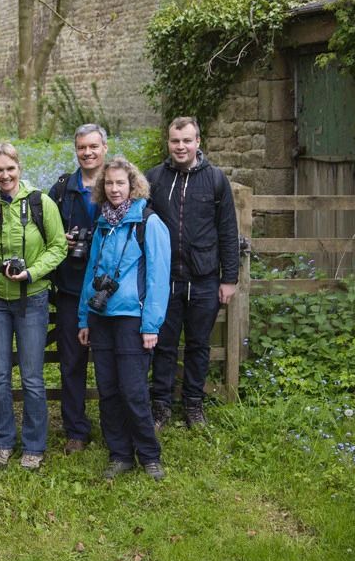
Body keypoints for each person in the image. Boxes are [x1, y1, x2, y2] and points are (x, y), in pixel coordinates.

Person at [76, 155, 170, 481]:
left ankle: (149, 454)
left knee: (132, 390)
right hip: (102, 317)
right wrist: (84, 319)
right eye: (109, 183)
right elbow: (92, 272)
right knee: (108, 389)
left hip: (133, 318)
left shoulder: (148, 223)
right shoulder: (103, 224)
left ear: (133, 185)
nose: (114, 189)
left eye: (120, 183)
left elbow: (159, 278)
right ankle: (120, 454)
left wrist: (151, 325)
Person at [146, 117, 239, 429]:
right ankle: (160, 406)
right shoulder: (155, 179)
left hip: (204, 278)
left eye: (187, 140)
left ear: (198, 142)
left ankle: (193, 405)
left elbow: (227, 230)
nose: (181, 146)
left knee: (199, 345)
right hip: (166, 279)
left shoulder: (215, 180)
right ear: (168, 143)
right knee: (163, 344)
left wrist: (230, 278)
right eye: (175, 141)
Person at [0, 143, 67, 471]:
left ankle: (34, 444)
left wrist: (30, 272)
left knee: (32, 377)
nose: (5, 175)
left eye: (10, 168)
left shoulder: (40, 202)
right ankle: (2, 442)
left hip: (33, 298)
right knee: (0, 375)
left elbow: (58, 246)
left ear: (19, 167)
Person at [48, 123, 108, 455]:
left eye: (93, 147)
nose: (87, 153)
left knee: (109, 360)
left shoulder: (118, 185)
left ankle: (113, 423)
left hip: (108, 290)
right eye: (82, 147)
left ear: (104, 148)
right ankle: (75, 429)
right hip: (72, 289)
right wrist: (63, 241)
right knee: (71, 362)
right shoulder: (60, 190)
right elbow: (44, 236)